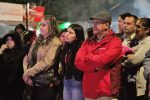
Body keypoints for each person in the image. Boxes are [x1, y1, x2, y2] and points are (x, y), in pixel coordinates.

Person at [75, 10, 122, 100]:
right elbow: (78, 62)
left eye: (97, 23)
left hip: (107, 91)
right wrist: (94, 68)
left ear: (106, 25)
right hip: (89, 90)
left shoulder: (115, 41)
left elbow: (104, 60)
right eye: (93, 22)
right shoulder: (87, 42)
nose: (93, 25)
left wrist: (88, 57)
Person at [23, 15, 62, 100]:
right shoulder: (37, 40)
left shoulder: (55, 42)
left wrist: (28, 73)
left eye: (44, 25)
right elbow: (27, 58)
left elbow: (46, 62)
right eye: (40, 24)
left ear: (51, 27)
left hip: (45, 83)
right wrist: (26, 73)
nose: (40, 27)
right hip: (31, 81)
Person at [61, 24, 85, 100]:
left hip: (77, 82)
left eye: (71, 33)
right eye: (67, 31)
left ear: (77, 36)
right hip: (66, 81)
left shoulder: (81, 48)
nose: (66, 34)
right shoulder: (66, 47)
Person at [0, 31, 25, 100]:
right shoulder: (5, 52)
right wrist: (0, 52)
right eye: (7, 40)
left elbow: (12, 67)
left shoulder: (21, 52)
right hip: (4, 87)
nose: (9, 41)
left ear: (16, 40)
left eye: (11, 39)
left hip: (16, 87)